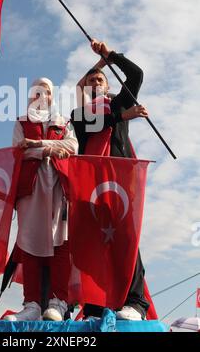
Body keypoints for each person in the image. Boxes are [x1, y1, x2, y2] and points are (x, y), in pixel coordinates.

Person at [71, 39, 149, 321]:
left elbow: (137, 75)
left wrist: (111, 57)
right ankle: (94, 304)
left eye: (100, 80)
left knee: (126, 237)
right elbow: (94, 121)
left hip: (120, 178)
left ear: (107, 86)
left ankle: (136, 302)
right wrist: (123, 116)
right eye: (90, 80)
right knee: (94, 240)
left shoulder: (117, 101)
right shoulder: (79, 114)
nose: (94, 83)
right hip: (90, 184)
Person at [4, 77, 78, 322]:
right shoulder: (22, 121)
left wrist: (38, 144)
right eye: (36, 91)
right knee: (28, 242)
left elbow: (72, 147)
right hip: (31, 189)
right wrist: (49, 149)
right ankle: (32, 304)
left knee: (60, 241)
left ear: (51, 96)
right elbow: (17, 150)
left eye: (45, 91)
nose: (40, 95)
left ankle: (59, 301)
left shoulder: (63, 121)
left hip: (58, 187)